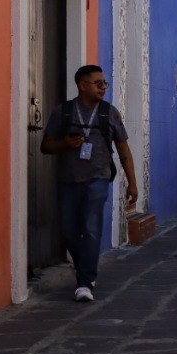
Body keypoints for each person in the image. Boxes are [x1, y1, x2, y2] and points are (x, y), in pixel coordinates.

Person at [41, 65, 136, 303]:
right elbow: (46, 145)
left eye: (105, 83)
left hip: (98, 178)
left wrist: (132, 183)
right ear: (83, 85)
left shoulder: (109, 113)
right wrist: (65, 144)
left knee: (91, 228)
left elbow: (123, 149)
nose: (104, 87)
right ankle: (85, 269)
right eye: (98, 83)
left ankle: (84, 282)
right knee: (68, 231)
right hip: (68, 180)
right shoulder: (63, 112)